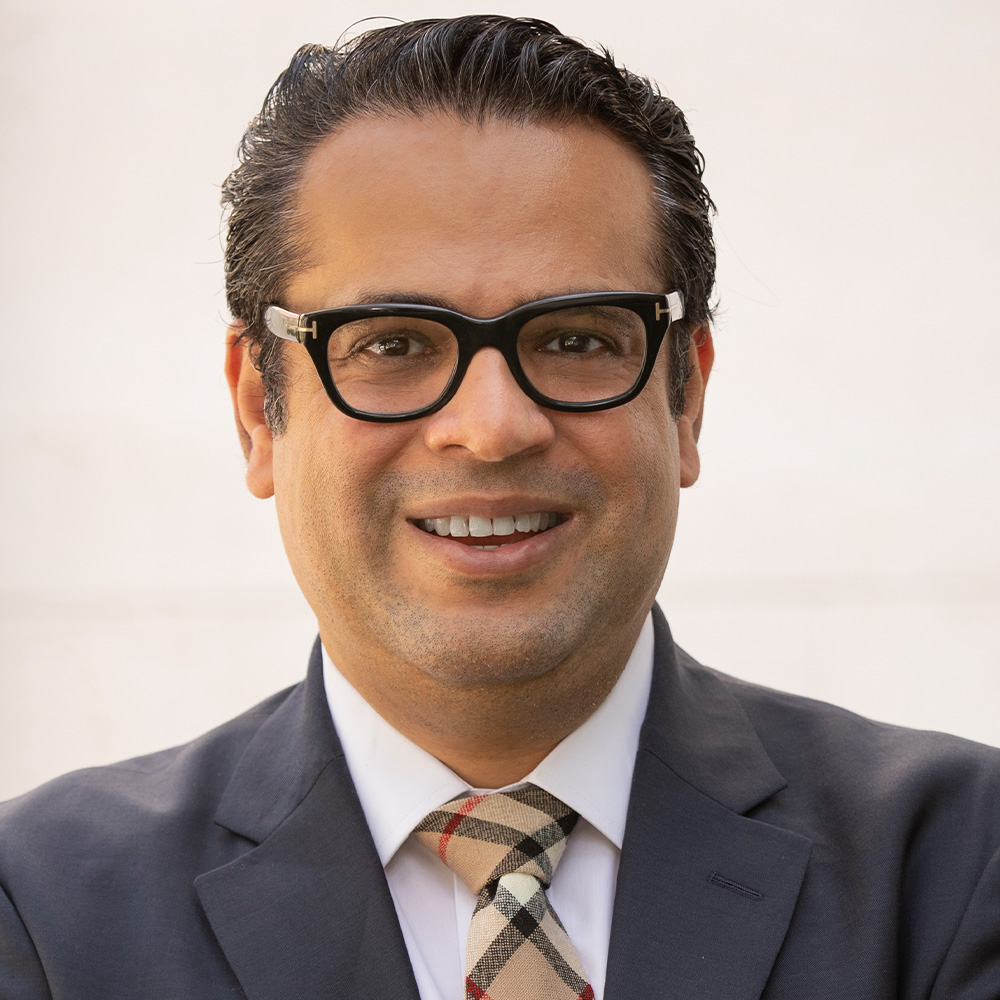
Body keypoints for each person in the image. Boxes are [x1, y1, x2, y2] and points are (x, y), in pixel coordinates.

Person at [1, 15, 997, 999]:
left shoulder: (954, 866)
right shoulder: (42, 913)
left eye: (573, 339)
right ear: (257, 410)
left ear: (684, 397)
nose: (491, 427)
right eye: (391, 344)